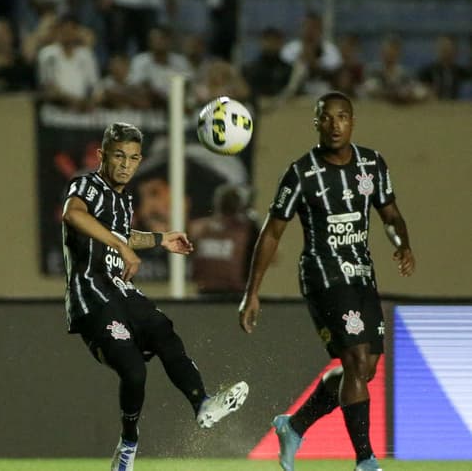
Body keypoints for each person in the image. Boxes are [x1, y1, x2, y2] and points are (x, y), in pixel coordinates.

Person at [238, 91, 415, 471]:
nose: (334, 125)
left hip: (361, 275)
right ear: (316, 123)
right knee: (353, 360)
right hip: (323, 275)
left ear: (352, 122)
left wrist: (402, 244)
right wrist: (252, 292)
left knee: (364, 369)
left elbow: (391, 215)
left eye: (342, 117)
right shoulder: (301, 173)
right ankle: (366, 460)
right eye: (326, 118)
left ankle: (294, 426)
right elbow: (271, 232)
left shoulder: (371, 164)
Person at [62, 122, 248, 471]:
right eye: (118, 156)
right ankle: (129, 445)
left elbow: (124, 235)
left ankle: (202, 404)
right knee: (134, 372)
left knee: (163, 329)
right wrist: (119, 245)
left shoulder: (123, 198)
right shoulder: (86, 185)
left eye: (132, 158)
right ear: (102, 155)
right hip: (92, 295)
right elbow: (73, 215)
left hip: (121, 290)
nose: (125, 165)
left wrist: (160, 239)